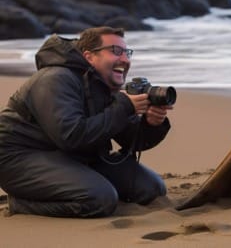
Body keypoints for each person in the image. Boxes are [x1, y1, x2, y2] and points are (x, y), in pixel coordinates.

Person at [0, 27, 173, 218]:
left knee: (151, 188)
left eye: (127, 52)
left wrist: (151, 124)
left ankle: (77, 183)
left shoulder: (104, 85)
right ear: (89, 56)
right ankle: (22, 203)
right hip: (19, 158)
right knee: (99, 200)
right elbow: (71, 136)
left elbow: (132, 140)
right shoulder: (56, 79)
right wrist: (123, 108)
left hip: (71, 155)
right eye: (116, 51)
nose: (125, 59)